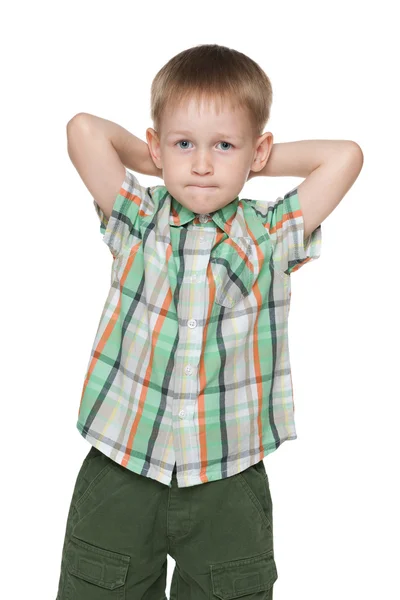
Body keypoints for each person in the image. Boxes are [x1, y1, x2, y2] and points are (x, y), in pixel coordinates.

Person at [56, 44, 363, 599]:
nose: (202, 164)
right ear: (157, 147)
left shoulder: (268, 234)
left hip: (228, 473)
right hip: (124, 465)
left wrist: (252, 156)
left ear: (257, 150)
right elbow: (82, 131)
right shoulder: (137, 218)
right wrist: (158, 157)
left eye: (224, 145)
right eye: (183, 145)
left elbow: (345, 157)